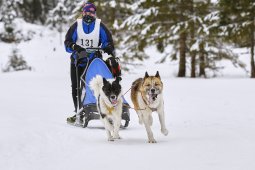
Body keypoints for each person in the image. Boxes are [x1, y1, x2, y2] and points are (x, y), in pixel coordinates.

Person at [64, 2, 115, 124]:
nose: (89, 14)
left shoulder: (100, 26)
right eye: (86, 12)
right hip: (78, 62)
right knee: (76, 88)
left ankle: (106, 111)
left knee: (95, 87)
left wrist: (107, 48)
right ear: (83, 12)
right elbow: (67, 43)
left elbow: (108, 42)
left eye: (91, 12)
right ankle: (78, 113)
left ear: (94, 14)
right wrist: (76, 47)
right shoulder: (76, 26)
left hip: (94, 63)